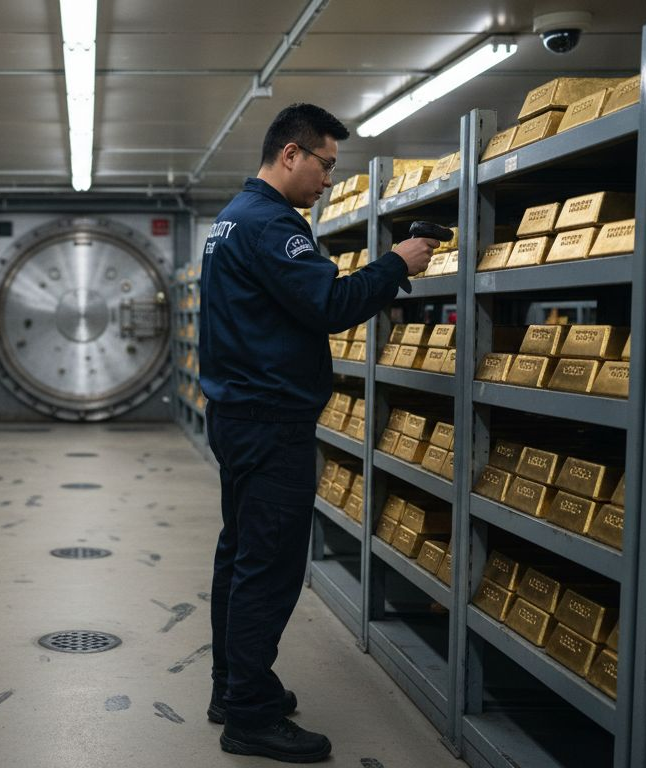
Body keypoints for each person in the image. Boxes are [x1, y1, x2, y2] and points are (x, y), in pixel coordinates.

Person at [197, 103, 435, 763]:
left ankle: (233, 687)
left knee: (241, 556)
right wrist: (397, 263)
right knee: (268, 569)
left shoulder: (230, 220)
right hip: (270, 422)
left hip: (239, 415)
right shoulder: (272, 225)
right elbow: (331, 304)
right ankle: (248, 715)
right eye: (325, 164)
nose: (328, 180)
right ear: (291, 155)